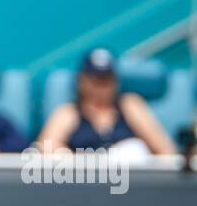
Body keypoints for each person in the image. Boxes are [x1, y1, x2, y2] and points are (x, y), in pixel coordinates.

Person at [36, 49, 176, 157]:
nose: (100, 88)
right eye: (95, 81)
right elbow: (44, 147)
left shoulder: (130, 106)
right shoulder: (69, 112)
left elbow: (167, 151)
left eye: (106, 81)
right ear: (82, 81)